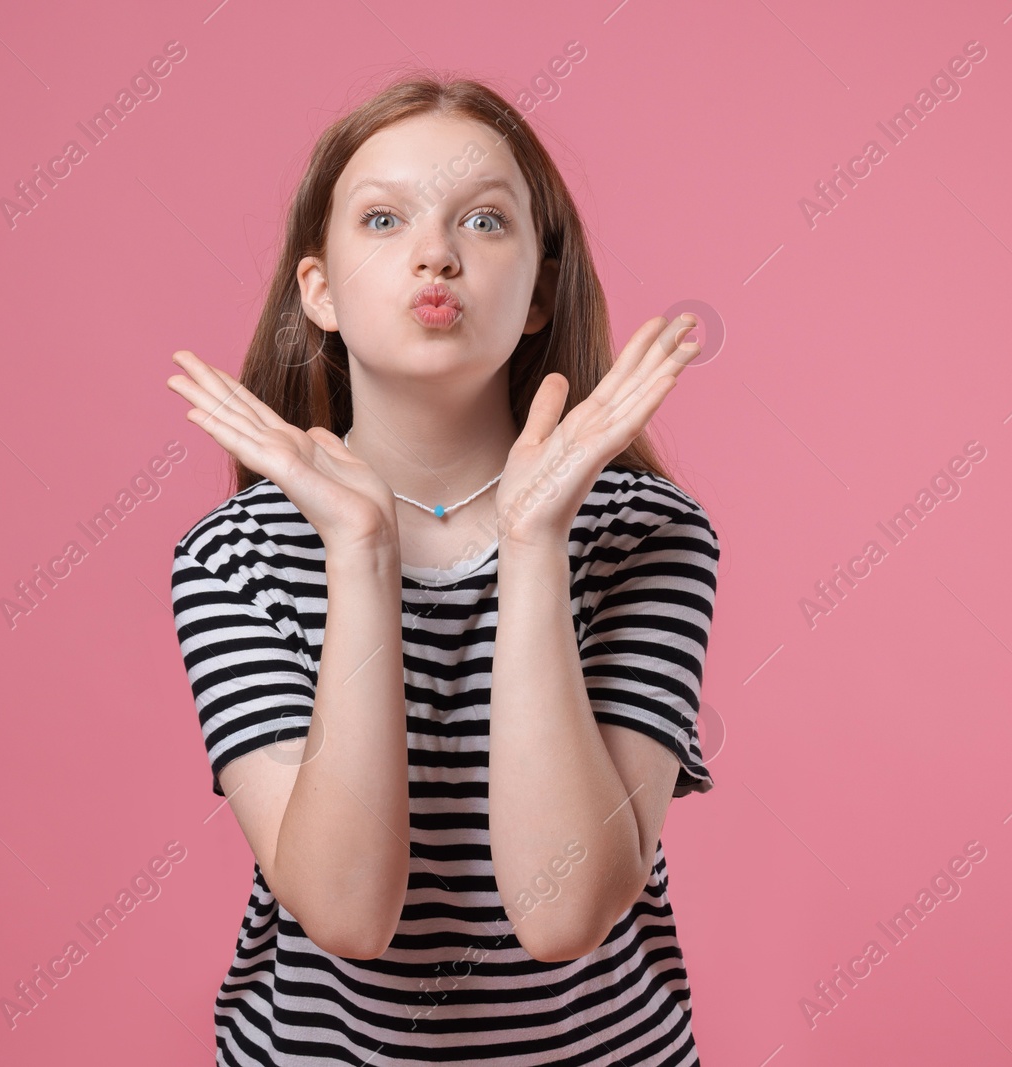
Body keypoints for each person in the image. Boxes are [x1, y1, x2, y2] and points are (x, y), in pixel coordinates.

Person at [166, 73, 720, 1066]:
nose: (436, 252)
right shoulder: (236, 555)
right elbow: (345, 911)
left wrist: (536, 542)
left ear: (540, 289)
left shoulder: (646, 535)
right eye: (383, 218)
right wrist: (361, 551)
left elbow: (564, 914)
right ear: (319, 290)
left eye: (484, 221)